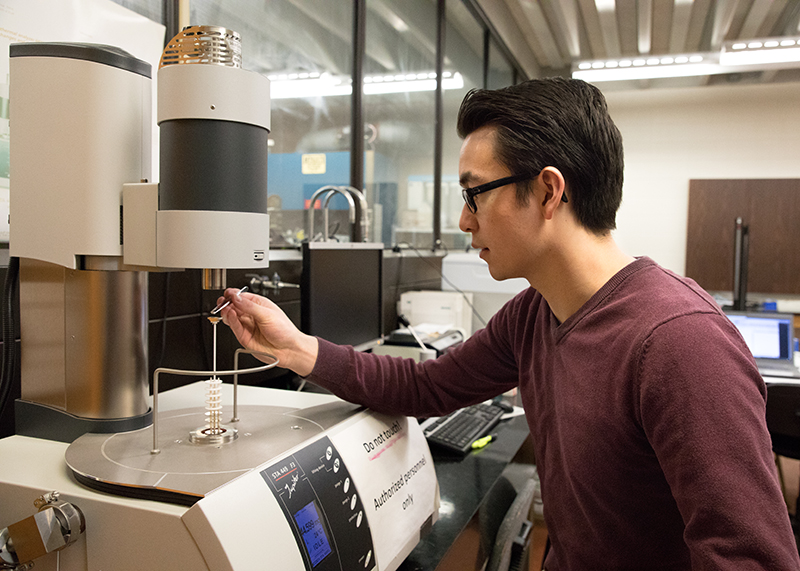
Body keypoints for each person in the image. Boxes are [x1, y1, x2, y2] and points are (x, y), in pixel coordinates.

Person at [220, 77, 800, 570]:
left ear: (548, 192)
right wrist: (298, 349)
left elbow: (750, 556)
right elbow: (429, 387)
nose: (464, 220)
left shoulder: (678, 342)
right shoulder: (535, 312)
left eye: (475, 194)